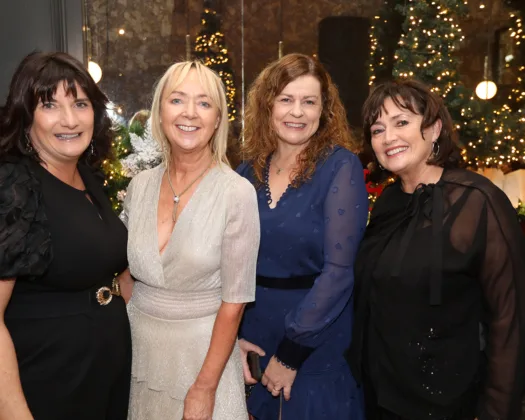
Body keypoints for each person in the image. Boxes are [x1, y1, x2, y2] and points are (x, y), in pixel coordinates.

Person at [348, 79, 525, 420]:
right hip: (380, 399)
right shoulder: (387, 201)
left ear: (434, 129)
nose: (388, 137)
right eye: (378, 129)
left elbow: (509, 321)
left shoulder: (478, 201)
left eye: (401, 122)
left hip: (449, 403)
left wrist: (497, 412)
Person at [121, 61, 260, 420]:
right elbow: (123, 273)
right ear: (160, 112)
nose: (190, 113)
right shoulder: (139, 186)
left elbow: (234, 303)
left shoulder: (236, 193)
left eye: (204, 103)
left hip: (203, 362)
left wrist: (205, 387)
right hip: (139, 358)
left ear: (217, 119)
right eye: (177, 100)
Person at [237, 53, 369, 419]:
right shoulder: (246, 172)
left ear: (324, 110)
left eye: (309, 102)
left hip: (314, 340)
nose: (297, 112)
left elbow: (339, 272)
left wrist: (290, 354)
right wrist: (233, 340)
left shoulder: (340, 166)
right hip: (253, 336)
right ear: (268, 105)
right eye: (286, 99)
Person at [0, 52, 131, 419]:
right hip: (47, 383)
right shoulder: (15, 185)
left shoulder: (87, 176)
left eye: (80, 104)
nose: (70, 120)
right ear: (26, 116)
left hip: (102, 379)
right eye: (49, 105)